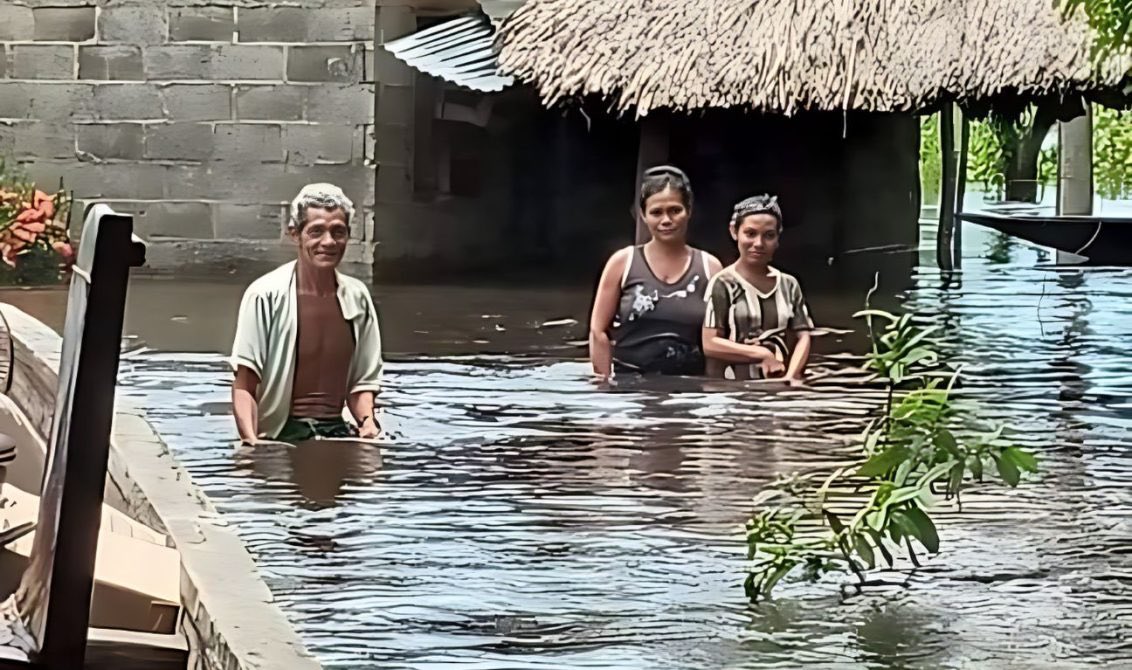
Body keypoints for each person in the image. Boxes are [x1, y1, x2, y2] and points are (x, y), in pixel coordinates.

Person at [230, 183, 383, 445]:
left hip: (337, 430)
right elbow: (245, 384)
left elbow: (362, 383)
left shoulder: (357, 297)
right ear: (295, 234)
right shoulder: (265, 295)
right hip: (282, 433)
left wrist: (367, 423)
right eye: (316, 232)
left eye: (338, 232)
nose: (328, 242)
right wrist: (251, 443)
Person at [589, 165, 723, 378]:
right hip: (630, 388)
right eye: (656, 212)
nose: (666, 220)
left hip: (689, 389)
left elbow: (718, 338)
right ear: (643, 215)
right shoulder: (623, 263)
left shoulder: (710, 267)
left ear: (689, 210)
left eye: (675, 210)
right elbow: (598, 331)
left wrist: (711, 390)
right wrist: (603, 386)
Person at [702, 194, 814, 383]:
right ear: (734, 232)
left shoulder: (789, 284)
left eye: (769, 235)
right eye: (751, 233)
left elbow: (803, 336)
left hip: (778, 383)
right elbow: (710, 343)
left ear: (778, 238)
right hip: (731, 388)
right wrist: (761, 354)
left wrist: (790, 377)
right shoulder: (723, 283)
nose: (759, 244)